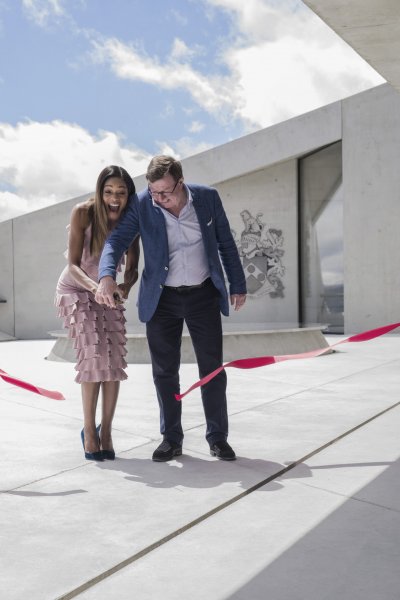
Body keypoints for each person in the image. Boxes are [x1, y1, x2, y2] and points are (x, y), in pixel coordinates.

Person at [95, 155, 246, 462]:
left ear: (181, 182)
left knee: (212, 370)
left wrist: (238, 283)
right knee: (165, 372)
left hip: (203, 294)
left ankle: (218, 437)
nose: (160, 199)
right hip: (162, 299)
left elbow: (225, 243)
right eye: (154, 192)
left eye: (166, 192)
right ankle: (171, 438)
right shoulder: (142, 203)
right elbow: (116, 242)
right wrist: (107, 276)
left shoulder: (207, 198)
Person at [55, 165, 140, 461]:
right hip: (77, 289)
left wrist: (123, 289)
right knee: (93, 356)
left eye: (121, 192)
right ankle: (89, 431)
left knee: (113, 361)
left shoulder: (132, 220)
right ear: (99, 192)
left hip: (107, 292)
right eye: (108, 191)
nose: (114, 198)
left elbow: (131, 269)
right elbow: (73, 265)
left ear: (128, 194)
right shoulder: (83, 213)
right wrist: (97, 288)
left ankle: (107, 432)